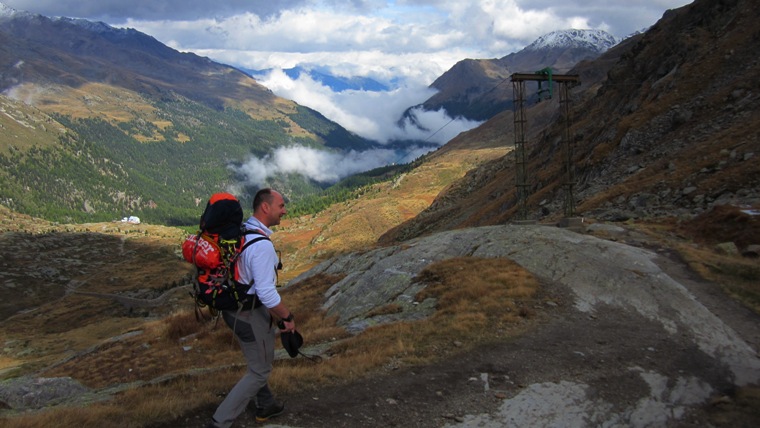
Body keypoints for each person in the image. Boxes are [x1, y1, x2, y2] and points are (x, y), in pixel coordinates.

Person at [209, 188, 295, 428]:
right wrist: (287, 317)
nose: (284, 210)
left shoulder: (242, 231)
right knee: (259, 371)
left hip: (233, 310)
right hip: (248, 314)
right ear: (265, 207)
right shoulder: (262, 246)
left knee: (258, 361)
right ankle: (220, 422)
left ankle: (266, 405)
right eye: (280, 205)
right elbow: (267, 293)